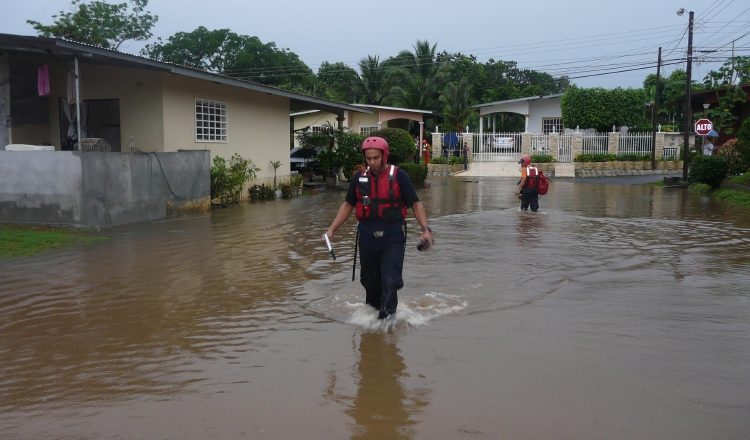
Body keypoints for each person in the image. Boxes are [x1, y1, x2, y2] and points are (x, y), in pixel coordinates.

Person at [324, 136, 434, 320]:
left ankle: (388, 324)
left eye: (376, 158)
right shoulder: (359, 179)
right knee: (370, 283)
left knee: (389, 281)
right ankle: (372, 326)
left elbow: (416, 204)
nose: (372, 162)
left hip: (392, 237)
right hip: (367, 238)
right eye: (369, 158)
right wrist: (331, 230)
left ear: (384, 156)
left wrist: (425, 229)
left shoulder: (399, 176)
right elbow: (348, 205)